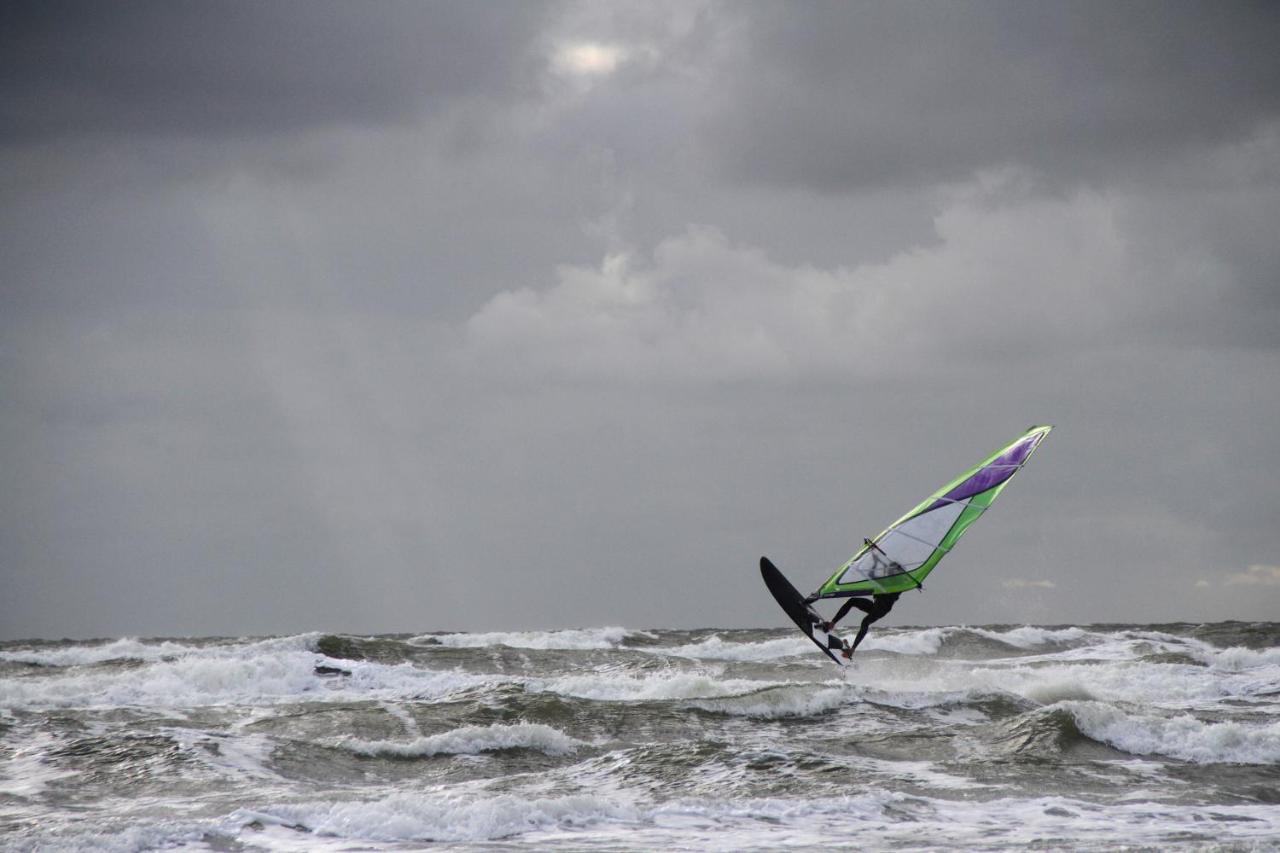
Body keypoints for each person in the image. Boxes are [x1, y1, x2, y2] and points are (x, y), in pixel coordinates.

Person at [820, 592, 900, 659]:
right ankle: (832, 623)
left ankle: (852, 650)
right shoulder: (884, 575)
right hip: (875, 604)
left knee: (865, 622)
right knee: (852, 601)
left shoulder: (898, 580)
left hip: (883, 607)